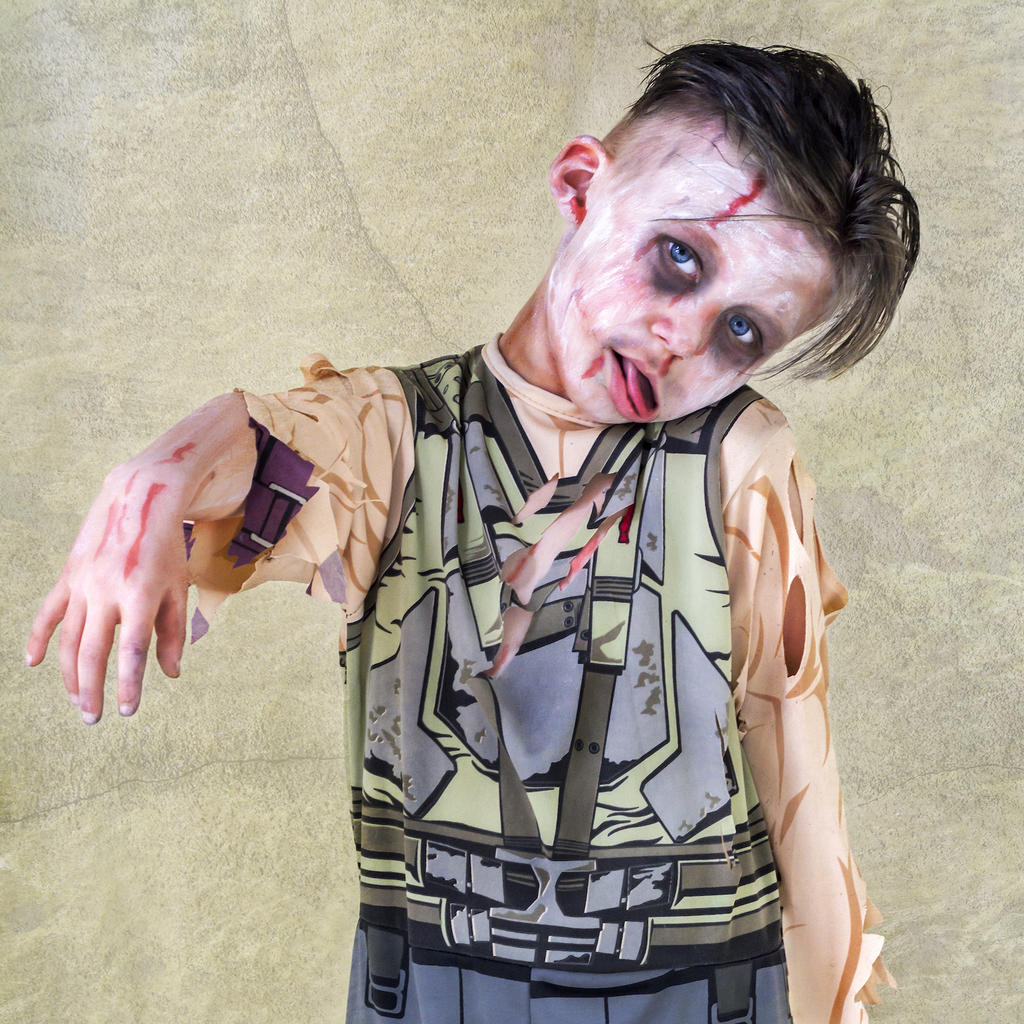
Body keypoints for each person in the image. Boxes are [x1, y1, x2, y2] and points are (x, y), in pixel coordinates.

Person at [26, 41, 918, 1024]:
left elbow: (797, 780)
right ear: (580, 185)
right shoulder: (398, 433)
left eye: (741, 331)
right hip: (436, 982)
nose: (682, 340)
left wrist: (832, 1002)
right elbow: (274, 448)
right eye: (678, 257)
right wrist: (155, 473)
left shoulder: (738, 455)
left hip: (695, 990)